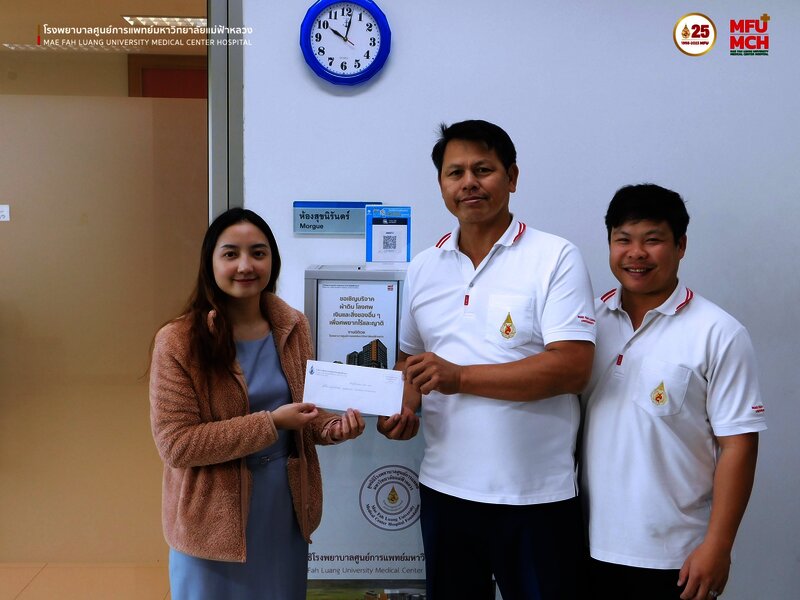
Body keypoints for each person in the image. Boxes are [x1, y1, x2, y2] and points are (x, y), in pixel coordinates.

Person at [378, 119, 597, 599]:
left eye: (483, 169)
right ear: (441, 185)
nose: (469, 183)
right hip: (444, 491)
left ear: (512, 177)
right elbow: (409, 364)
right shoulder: (423, 267)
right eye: (455, 173)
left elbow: (573, 368)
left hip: (535, 497)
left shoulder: (554, 257)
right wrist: (402, 408)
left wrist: (460, 377)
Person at [149, 207, 365, 599]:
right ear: (210, 263)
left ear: (273, 261)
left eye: (258, 253)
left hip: (283, 507)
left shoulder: (292, 325)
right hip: (212, 517)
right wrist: (272, 424)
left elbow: (306, 409)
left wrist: (332, 428)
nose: (246, 265)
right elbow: (177, 445)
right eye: (231, 254)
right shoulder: (179, 340)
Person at [580, 184, 767, 600]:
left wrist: (718, 545)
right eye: (623, 240)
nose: (636, 253)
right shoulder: (585, 323)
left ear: (680, 245)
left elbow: (738, 445)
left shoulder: (718, 332)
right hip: (583, 546)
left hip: (675, 557)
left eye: (653, 240)